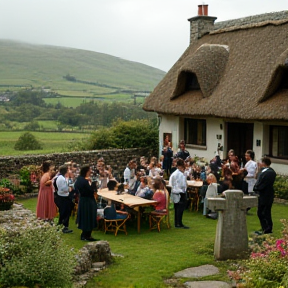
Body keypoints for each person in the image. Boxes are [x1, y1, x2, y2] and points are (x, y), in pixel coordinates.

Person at [74, 164, 98, 241]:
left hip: (83, 200)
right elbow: (90, 192)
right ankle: (86, 235)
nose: (91, 171)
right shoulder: (84, 181)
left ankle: (86, 235)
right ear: (87, 171)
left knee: (85, 217)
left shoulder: (79, 179)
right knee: (88, 217)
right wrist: (93, 185)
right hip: (87, 201)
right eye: (90, 170)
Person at [253, 157, 276, 234]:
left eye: (259, 162)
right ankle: (264, 227)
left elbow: (263, 184)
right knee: (260, 212)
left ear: (264, 163)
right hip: (262, 195)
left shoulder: (270, 172)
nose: (258, 163)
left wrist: (257, 187)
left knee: (265, 212)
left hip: (267, 195)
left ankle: (268, 228)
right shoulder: (262, 171)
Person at [169, 158, 189, 229]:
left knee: (177, 208)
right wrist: (184, 190)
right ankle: (179, 223)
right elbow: (182, 185)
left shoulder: (174, 173)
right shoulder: (180, 174)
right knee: (180, 209)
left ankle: (177, 222)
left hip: (174, 192)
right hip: (180, 192)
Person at [55, 165, 74, 233]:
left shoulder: (61, 177)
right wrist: (69, 189)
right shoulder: (61, 178)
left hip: (62, 196)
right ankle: (64, 226)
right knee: (65, 212)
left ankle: (61, 225)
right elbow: (63, 188)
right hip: (63, 197)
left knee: (64, 212)